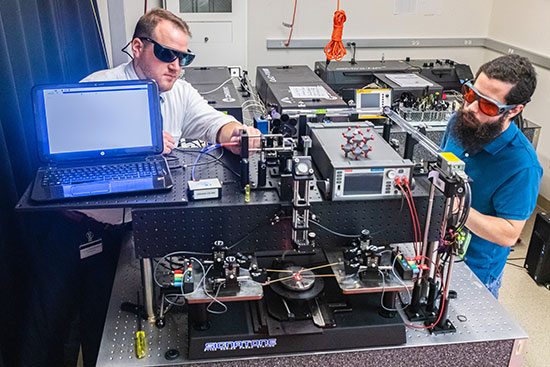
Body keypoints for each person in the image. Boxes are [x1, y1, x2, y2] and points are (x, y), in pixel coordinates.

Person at [21, 8, 261, 367]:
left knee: (97, 330)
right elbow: (66, 156)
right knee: (47, 327)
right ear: (137, 47)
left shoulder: (179, 92)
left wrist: (240, 135)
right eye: (166, 54)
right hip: (70, 230)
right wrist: (138, 141)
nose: (176, 65)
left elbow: (214, 123)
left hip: (123, 239)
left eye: (184, 57)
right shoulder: (97, 86)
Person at [441, 54, 542, 298]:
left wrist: (459, 209)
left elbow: (509, 234)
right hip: (435, 252)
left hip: (474, 273)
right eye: (471, 94)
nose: (471, 108)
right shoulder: (461, 122)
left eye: (487, 105)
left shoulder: (521, 165)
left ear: (514, 110)